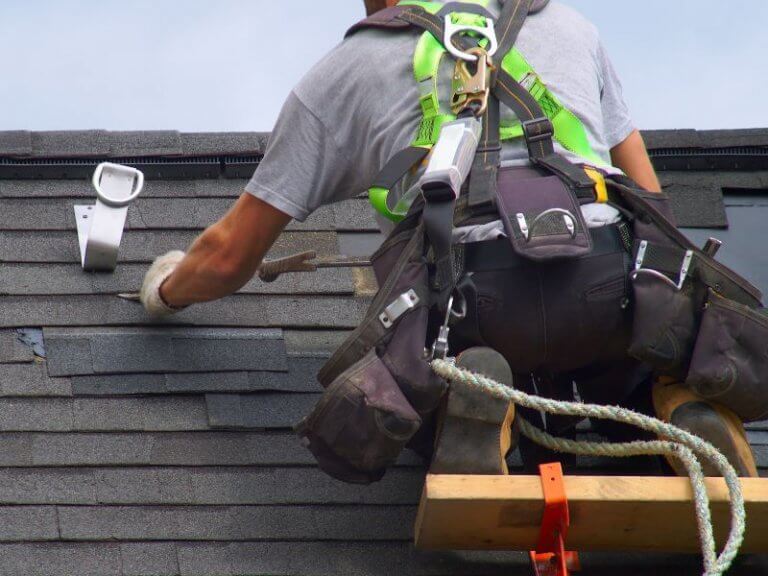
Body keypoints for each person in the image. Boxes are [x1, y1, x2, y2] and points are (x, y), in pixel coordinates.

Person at [140, 0, 758, 478]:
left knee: (421, 367)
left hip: (471, 303)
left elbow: (228, 255)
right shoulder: (570, 27)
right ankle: (674, 407)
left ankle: (472, 402)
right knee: (636, 358)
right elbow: (654, 208)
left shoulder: (348, 68)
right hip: (608, 288)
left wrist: (165, 291)